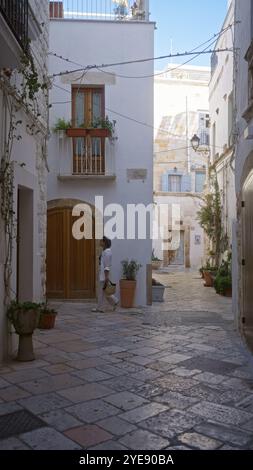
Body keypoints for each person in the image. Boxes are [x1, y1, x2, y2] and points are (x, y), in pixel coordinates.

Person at [92, 236, 119, 313]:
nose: (99, 242)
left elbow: (107, 266)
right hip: (103, 274)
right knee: (104, 292)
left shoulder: (107, 252)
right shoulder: (105, 251)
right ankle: (113, 302)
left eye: (101, 241)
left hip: (104, 275)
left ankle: (101, 308)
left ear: (104, 242)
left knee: (102, 292)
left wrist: (106, 277)